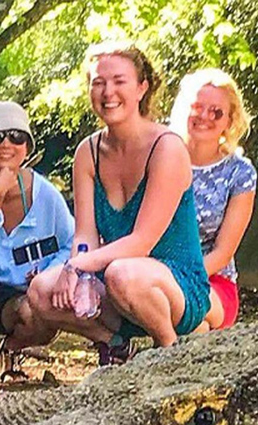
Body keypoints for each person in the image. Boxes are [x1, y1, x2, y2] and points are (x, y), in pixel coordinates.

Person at [27, 42, 210, 364]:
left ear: (142, 87)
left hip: (175, 286)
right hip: (115, 282)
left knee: (122, 273)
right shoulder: (88, 152)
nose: (108, 91)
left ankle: (170, 354)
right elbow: (84, 233)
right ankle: (114, 345)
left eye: (119, 81)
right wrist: (75, 270)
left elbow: (142, 241)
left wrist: (80, 265)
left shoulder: (167, 148)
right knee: (42, 290)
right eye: (98, 82)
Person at [0, 101, 74, 385]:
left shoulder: (45, 193)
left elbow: (71, 241)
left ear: (27, 147)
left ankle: (12, 351)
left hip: (22, 292)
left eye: (16, 137)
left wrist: (48, 274)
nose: (6, 143)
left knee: (41, 313)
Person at [168, 68, 256, 331]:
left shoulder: (239, 173)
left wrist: (178, 281)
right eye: (197, 107)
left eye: (216, 112)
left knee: (190, 316)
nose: (204, 117)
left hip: (212, 282)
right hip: (154, 276)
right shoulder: (160, 158)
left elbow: (223, 251)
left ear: (229, 121)